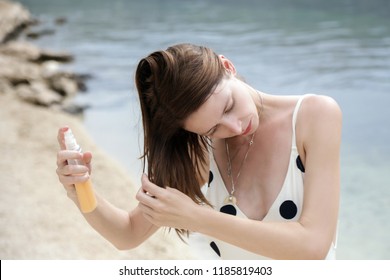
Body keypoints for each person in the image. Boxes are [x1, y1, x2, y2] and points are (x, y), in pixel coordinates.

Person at [56, 43, 342, 260]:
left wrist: (195, 217)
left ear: (227, 66)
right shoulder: (197, 151)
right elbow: (128, 233)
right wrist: (80, 190)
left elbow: (314, 245)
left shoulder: (313, 116)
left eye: (228, 106)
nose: (235, 126)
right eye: (213, 129)